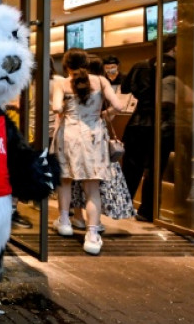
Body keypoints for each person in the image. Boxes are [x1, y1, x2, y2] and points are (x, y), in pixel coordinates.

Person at [52, 48, 126, 255]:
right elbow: (119, 106)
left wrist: (67, 108)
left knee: (65, 180)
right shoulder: (102, 81)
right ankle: (92, 235)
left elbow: (57, 108)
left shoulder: (62, 83)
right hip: (94, 136)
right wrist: (101, 114)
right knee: (92, 187)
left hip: (68, 135)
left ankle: (65, 222)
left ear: (66, 66)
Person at [121, 34, 177, 222]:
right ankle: (147, 211)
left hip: (137, 122)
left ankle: (122, 206)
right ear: (175, 48)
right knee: (154, 169)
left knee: (131, 168)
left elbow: (125, 88)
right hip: (162, 124)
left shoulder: (141, 65)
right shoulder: (178, 68)